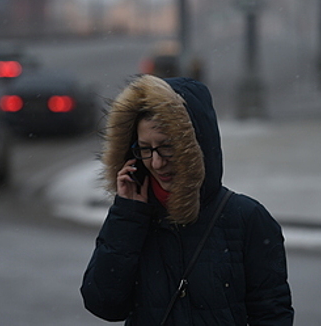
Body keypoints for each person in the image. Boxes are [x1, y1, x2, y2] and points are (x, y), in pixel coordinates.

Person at [80, 75, 294, 325]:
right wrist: (127, 215)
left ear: (195, 147)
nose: (157, 163)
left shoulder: (248, 219)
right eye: (145, 149)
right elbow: (104, 304)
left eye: (167, 146)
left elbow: (272, 315)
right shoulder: (134, 218)